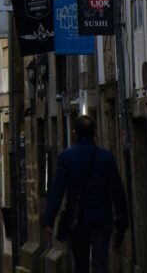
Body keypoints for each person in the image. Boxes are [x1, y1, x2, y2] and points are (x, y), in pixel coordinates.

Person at [43, 114, 129, 273]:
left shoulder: (66, 158)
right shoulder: (106, 157)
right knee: (100, 263)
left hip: (78, 219)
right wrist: (122, 219)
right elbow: (117, 190)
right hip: (102, 217)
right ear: (94, 133)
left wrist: (48, 219)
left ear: (74, 134)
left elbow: (57, 190)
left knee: (81, 264)